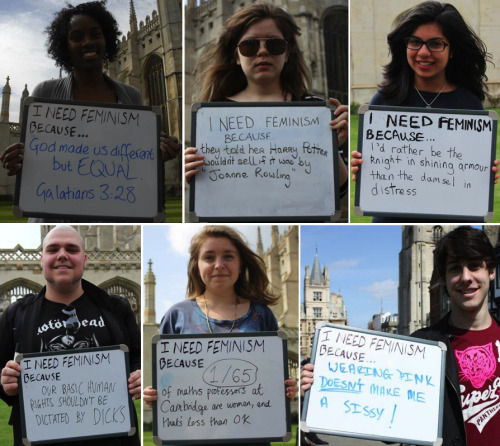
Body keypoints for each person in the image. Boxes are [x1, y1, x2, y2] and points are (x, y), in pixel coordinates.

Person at [301, 225, 500, 446]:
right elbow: (379, 405)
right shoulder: (420, 347)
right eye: (455, 269)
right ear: (444, 277)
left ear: (491, 271)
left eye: (475, 266)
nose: (466, 277)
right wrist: (320, 385)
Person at [0, 0, 180, 221]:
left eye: (95, 34)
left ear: (106, 39)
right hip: (53, 213)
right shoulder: (45, 93)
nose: (88, 42)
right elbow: (36, 159)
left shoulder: (131, 96)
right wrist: (19, 159)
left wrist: (157, 154)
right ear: (64, 46)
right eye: (77, 37)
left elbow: (133, 161)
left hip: (115, 209)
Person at [143, 225, 297, 446]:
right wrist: (153, 395)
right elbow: (166, 382)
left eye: (228, 256)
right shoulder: (177, 316)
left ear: (241, 263)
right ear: (196, 266)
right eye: (208, 257)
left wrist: (286, 388)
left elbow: (271, 379)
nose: (219, 265)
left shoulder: (262, 315)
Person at [350, 1, 499, 223]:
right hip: (392, 216)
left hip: (449, 216)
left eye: (435, 44)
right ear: (404, 46)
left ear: (452, 49)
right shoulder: (384, 100)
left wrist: (485, 171)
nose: (423, 52)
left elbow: (469, 168)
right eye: (415, 42)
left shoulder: (470, 103)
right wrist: (362, 165)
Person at [184, 1, 348, 201]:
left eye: (274, 44)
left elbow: (339, 191)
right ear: (237, 56)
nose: (262, 51)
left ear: (287, 54)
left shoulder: (315, 110)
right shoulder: (212, 115)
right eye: (249, 45)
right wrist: (193, 172)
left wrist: (332, 147)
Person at [0, 225, 141, 446]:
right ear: (42, 259)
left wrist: (140, 377)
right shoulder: (16, 315)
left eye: (72, 249)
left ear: (84, 259)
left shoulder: (116, 309)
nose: (62, 255)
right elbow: (1, 374)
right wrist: (5, 383)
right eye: (53, 249)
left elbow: (138, 359)